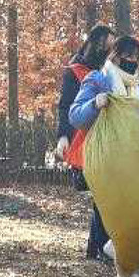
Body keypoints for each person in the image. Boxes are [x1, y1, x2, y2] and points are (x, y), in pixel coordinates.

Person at [68, 36, 139, 277]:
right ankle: (122, 265)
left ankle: (110, 250)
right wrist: (96, 103)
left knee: (131, 207)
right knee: (113, 208)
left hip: (132, 157)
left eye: (137, 58)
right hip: (103, 156)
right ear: (114, 56)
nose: (131, 62)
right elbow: (75, 116)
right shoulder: (98, 79)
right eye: (126, 56)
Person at [56, 24, 114, 260]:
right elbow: (66, 106)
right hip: (85, 139)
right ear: (96, 43)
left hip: (109, 139)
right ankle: (99, 247)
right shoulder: (75, 71)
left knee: (104, 195)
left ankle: (97, 247)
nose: (109, 50)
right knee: (102, 194)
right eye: (106, 45)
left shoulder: (108, 71)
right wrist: (62, 136)